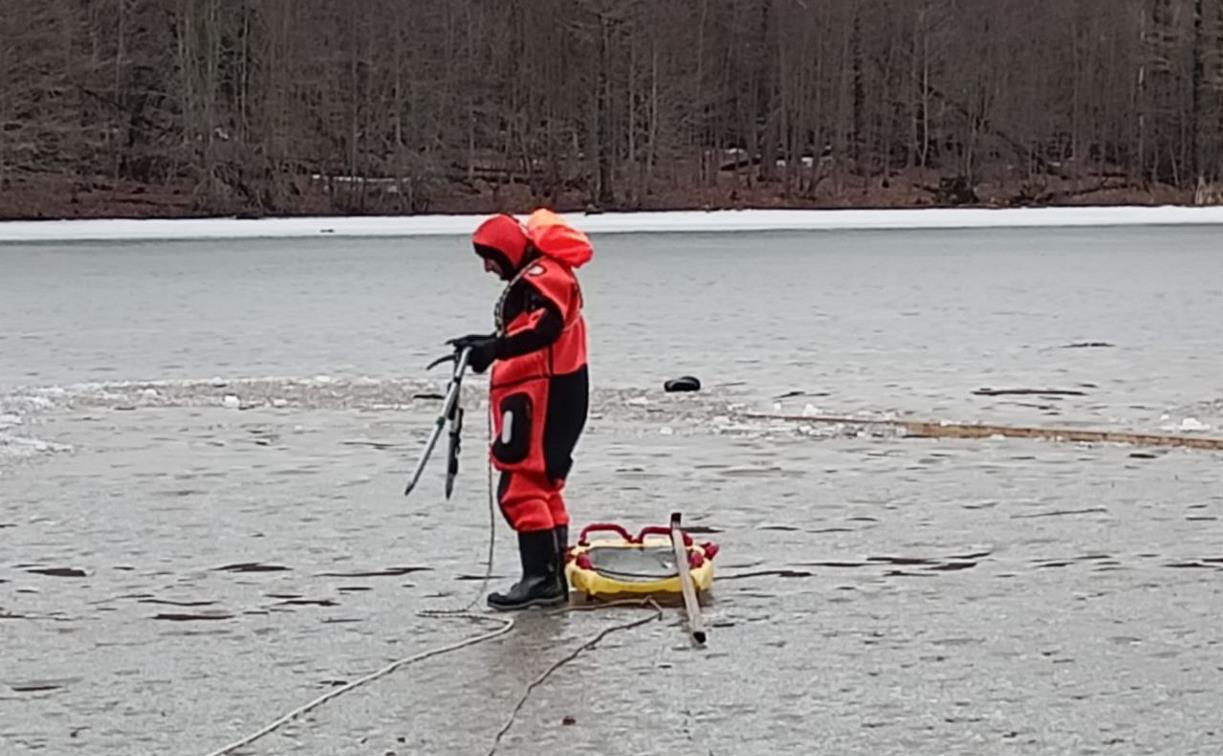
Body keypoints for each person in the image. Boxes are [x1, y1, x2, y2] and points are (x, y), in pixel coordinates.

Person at [449, 209, 592, 611]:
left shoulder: (546, 277)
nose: (487, 267)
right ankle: (552, 573)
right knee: (544, 486)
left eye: (489, 257)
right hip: (552, 393)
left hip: (544, 398)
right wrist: (486, 343)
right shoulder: (541, 275)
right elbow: (525, 329)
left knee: (521, 489)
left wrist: (494, 349)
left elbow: (545, 328)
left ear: (507, 250)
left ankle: (541, 579)